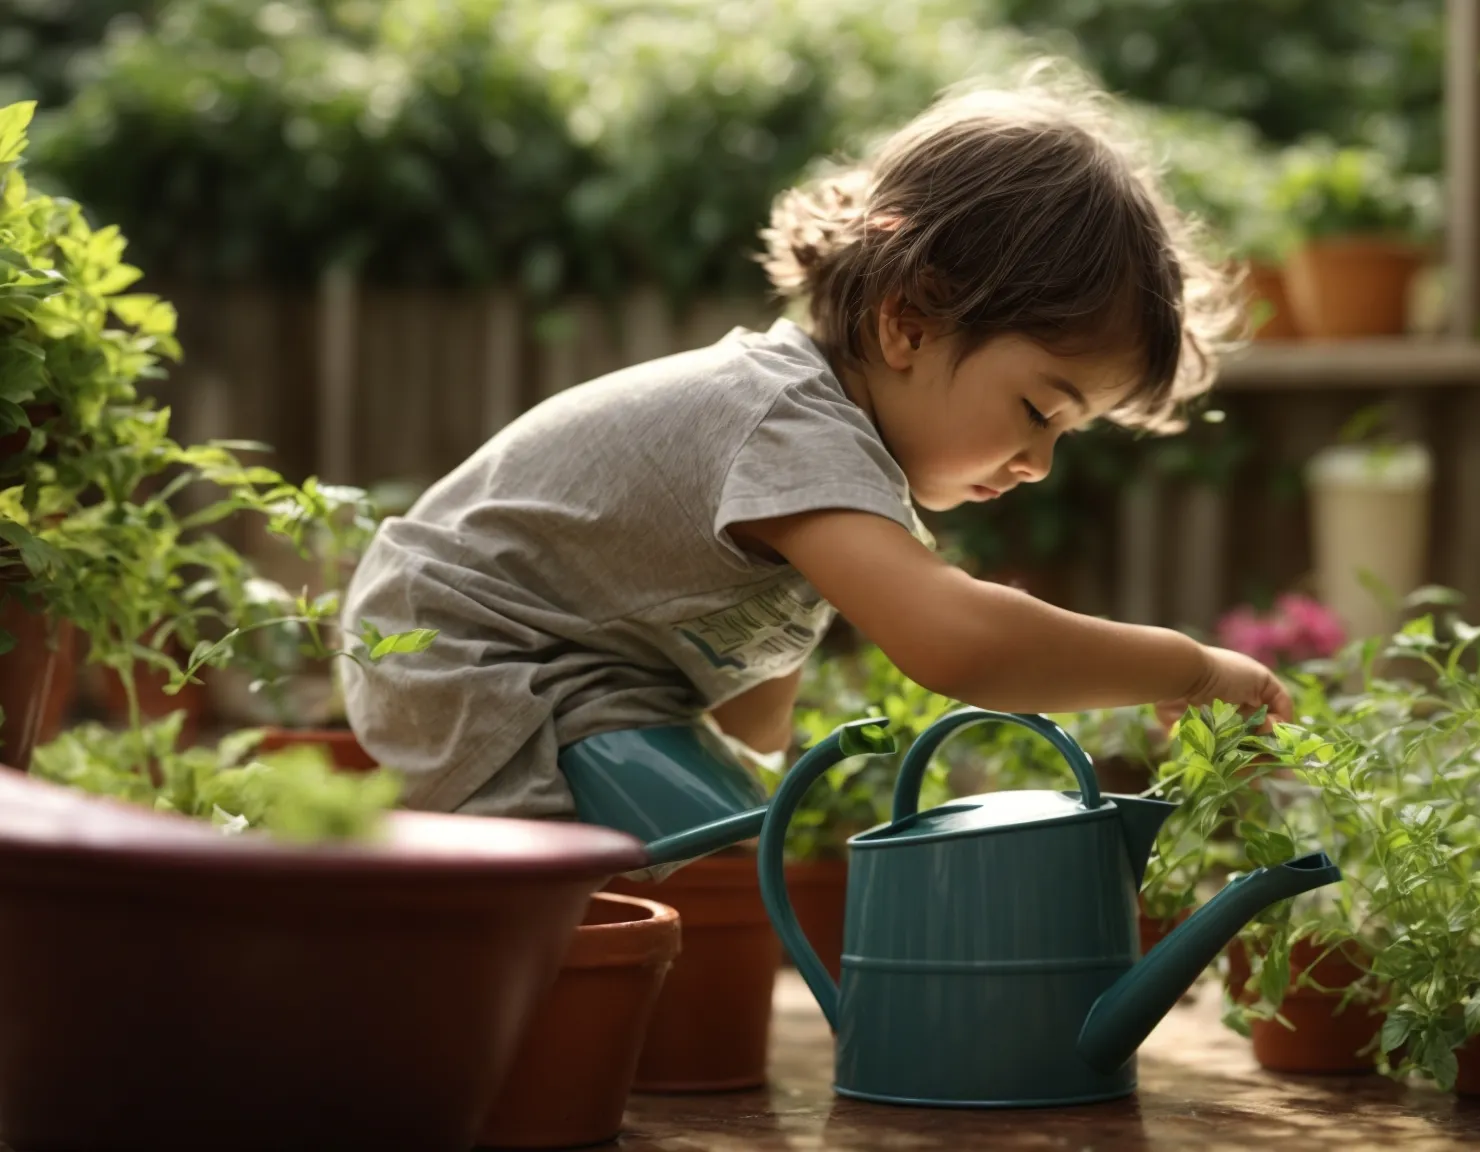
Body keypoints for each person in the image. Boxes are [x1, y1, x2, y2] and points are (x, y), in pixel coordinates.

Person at [339, 65, 1294, 824]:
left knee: (713, 835)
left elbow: (757, 708)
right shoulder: (789, 420)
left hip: (574, 665)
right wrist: (1192, 668)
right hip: (464, 646)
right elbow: (960, 642)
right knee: (574, 894)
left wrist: (767, 772)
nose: (1040, 463)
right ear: (909, 323)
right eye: (1040, 411)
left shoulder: (829, 457)